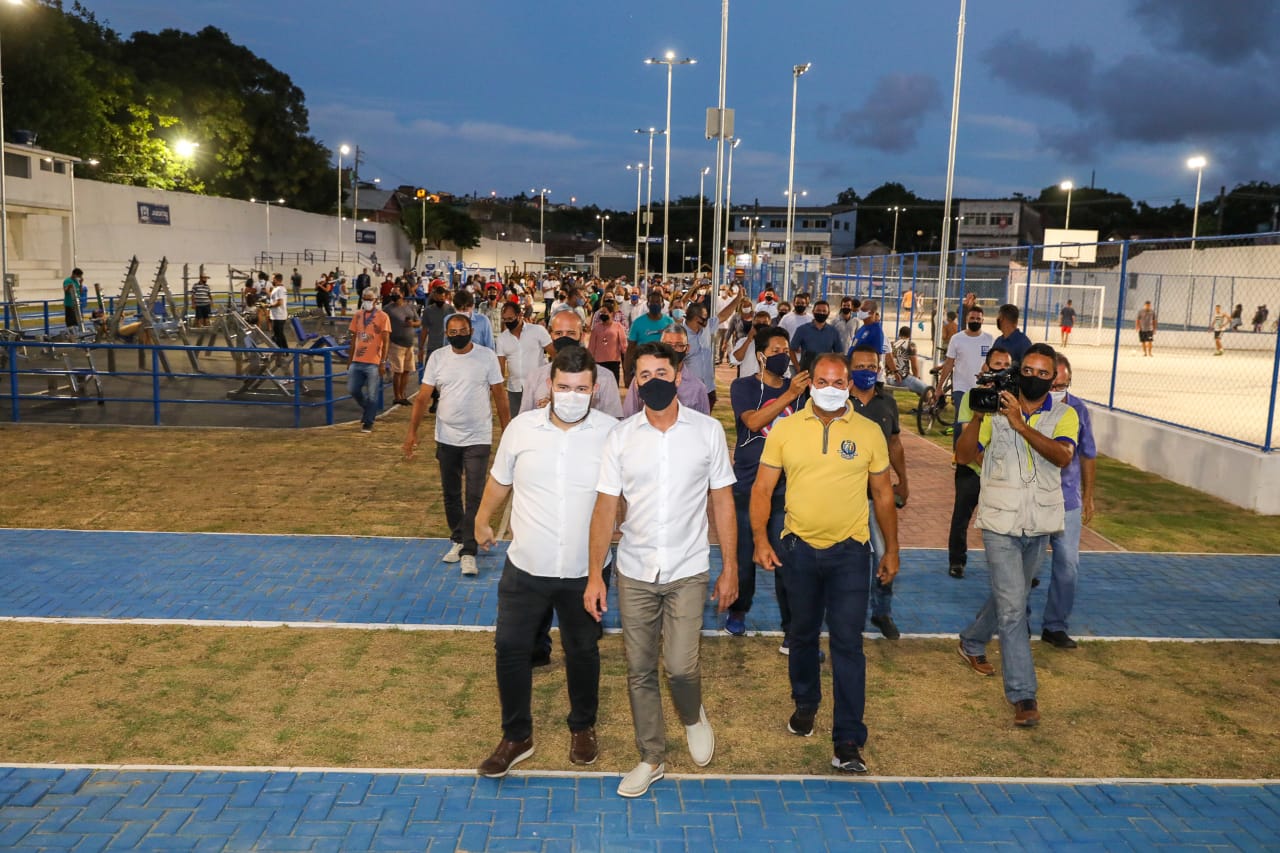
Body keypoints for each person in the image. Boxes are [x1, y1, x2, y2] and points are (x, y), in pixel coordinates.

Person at [585, 341, 739, 798]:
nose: (653, 381)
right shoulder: (621, 436)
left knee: (679, 665)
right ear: (634, 381)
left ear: (679, 376)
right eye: (644, 375)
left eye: (661, 372)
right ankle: (651, 757)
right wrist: (596, 573)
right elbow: (604, 508)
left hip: (688, 567)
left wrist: (730, 567)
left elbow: (723, 502)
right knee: (638, 669)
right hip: (634, 569)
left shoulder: (707, 431)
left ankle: (692, 715)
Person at [472, 346, 619, 778]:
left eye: (581, 389)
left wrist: (621, 525)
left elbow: (624, 493)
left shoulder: (613, 433)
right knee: (511, 650)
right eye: (563, 387)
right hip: (526, 566)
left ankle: (583, 727)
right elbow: (500, 481)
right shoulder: (522, 429)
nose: (572, 395)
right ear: (549, 386)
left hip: (584, 570)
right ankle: (516, 736)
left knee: (583, 650)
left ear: (595, 390)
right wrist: (482, 520)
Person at [750, 352, 898, 773]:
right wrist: (761, 539)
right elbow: (762, 490)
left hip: (851, 552)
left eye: (838, 382)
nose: (830, 389)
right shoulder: (786, 429)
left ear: (849, 385)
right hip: (797, 550)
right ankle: (805, 702)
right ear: (808, 382)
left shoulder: (870, 432)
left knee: (848, 644)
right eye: (822, 380)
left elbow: (884, 495)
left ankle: (848, 740)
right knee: (801, 635)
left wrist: (893, 548)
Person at [955, 343, 1078, 728]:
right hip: (999, 523)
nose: (1036, 378)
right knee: (1013, 610)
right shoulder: (995, 409)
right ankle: (1024, 695)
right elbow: (963, 455)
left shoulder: (1064, 414)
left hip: (1039, 523)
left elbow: (1062, 457)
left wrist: (1020, 425)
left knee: (1013, 596)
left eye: (1045, 373)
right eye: (1029, 370)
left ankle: (972, 640)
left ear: (1055, 376)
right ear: (1018, 370)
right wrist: (977, 419)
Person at [404, 313, 511, 577]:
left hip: (478, 436)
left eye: (462, 330)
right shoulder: (438, 358)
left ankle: (469, 551)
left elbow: (499, 394)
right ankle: (459, 538)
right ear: (446, 333)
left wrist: (508, 430)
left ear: (471, 330)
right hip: (447, 437)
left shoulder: (486, 356)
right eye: (452, 332)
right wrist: (412, 433)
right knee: (450, 493)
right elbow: (422, 398)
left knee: (474, 494)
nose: (458, 335)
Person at [726, 326, 805, 639]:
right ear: (760, 356)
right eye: (775, 351)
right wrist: (789, 395)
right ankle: (739, 609)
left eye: (785, 350)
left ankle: (791, 627)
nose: (782, 356)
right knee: (744, 556)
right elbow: (754, 421)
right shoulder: (743, 387)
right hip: (747, 484)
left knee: (787, 557)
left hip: (786, 488)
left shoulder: (801, 391)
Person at [847, 345, 909, 640]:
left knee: (884, 553)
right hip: (843, 497)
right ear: (849, 369)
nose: (866, 372)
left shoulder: (888, 402)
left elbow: (895, 443)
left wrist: (904, 479)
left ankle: (882, 612)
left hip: (878, 496)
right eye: (859, 367)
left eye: (871, 367)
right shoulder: (838, 401)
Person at [1041, 353, 1096, 650]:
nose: (1059, 390)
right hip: (1035, 498)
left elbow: (1088, 454)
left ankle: (1055, 625)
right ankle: (1016, 620)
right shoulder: (1030, 407)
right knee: (1027, 567)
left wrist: (1088, 496)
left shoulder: (1079, 410)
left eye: (1065, 384)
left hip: (1068, 500)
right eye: (1054, 385)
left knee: (1068, 565)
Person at [947, 346, 1012, 579]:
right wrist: (986, 465)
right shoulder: (971, 397)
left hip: (1004, 472)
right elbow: (967, 438)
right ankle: (957, 560)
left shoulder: (1014, 400)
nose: (1002, 371)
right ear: (986, 368)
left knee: (1005, 519)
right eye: (997, 365)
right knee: (962, 515)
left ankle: (1011, 563)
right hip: (973, 468)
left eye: (1007, 366)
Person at [521, 310, 623, 417]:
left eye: (571, 333)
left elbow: (614, 422)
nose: (564, 338)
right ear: (551, 336)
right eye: (559, 333)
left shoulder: (605, 377)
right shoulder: (535, 377)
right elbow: (524, 419)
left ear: (581, 336)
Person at [621, 327, 710, 417]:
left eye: (679, 345)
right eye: (668, 345)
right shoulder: (642, 380)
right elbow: (628, 416)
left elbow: (704, 424)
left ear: (687, 348)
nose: (673, 350)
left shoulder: (697, 387)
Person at [936, 305, 994, 439]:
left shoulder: (990, 339)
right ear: (967, 319)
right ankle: (958, 454)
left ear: (983, 320)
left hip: (982, 388)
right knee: (961, 419)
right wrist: (939, 387)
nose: (975, 321)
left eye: (978, 319)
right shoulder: (957, 339)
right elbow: (949, 363)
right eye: (972, 318)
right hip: (961, 388)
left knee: (980, 421)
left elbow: (992, 363)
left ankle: (976, 451)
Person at [496, 300, 552, 415]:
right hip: (515, 389)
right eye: (505, 319)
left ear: (520, 315)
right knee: (518, 422)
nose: (507, 322)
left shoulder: (537, 331)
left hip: (539, 387)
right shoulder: (502, 339)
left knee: (539, 421)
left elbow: (555, 354)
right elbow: (500, 367)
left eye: (510, 319)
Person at [346, 287, 390, 433]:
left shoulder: (383, 317)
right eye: (364, 298)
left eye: (369, 299)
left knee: (372, 394)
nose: (366, 301)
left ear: (376, 300)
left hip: (373, 361)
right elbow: (353, 338)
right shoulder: (358, 315)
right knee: (352, 389)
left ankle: (368, 422)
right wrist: (350, 358)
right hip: (357, 360)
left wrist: (383, 362)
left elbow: (386, 340)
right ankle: (369, 411)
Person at [419, 285, 455, 414]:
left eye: (442, 297)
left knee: (448, 375)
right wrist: (421, 347)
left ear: (445, 297)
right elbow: (424, 330)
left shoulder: (451, 310)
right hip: (432, 348)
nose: (440, 299)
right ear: (434, 296)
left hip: (447, 348)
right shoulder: (428, 311)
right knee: (431, 375)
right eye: (438, 297)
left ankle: (446, 400)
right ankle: (435, 399)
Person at [624, 290, 674, 384]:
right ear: (648, 304)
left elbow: (673, 348)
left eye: (657, 302)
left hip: (663, 368)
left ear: (663, 305)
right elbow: (630, 349)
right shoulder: (638, 323)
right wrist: (627, 373)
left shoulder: (669, 323)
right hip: (643, 368)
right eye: (652, 302)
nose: (655, 304)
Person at [383, 290, 422, 407]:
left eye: (397, 294)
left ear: (402, 295)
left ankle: (403, 395)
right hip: (396, 343)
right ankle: (397, 396)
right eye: (393, 294)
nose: (395, 296)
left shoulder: (410, 307)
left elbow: (418, 322)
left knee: (406, 370)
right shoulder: (387, 309)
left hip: (409, 344)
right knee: (398, 371)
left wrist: (412, 324)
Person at [789, 299, 843, 374]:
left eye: (824, 311)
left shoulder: (833, 332)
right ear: (813, 311)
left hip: (826, 371)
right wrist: (797, 367)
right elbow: (791, 350)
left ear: (828, 313)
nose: (821, 313)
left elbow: (839, 353)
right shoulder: (802, 329)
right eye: (818, 310)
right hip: (806, 372)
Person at [587, 298, 627, 382]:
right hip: (599, 362)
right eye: (601, 312)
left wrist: (627, 357)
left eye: (605, 312)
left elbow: (623, 345)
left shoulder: (618, 326)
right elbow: (591, 346)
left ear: (611, 313)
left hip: (614, 361)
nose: (602, 314)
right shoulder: (596, 328)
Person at [729, 311, 775, 380]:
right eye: (758, 322)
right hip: (747, 384)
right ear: (753, 323)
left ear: (770, 324)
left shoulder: (775, 343)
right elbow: (735, 360)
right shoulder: (743, 341)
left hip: (768, 385)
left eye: (765, 323)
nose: (761, 325)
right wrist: (748, 340)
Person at [887, 326, 929, 397]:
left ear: (899, 334)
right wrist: (916, 378)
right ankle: (932, 406)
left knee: (918, 385)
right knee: (927, 389)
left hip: (889, 378)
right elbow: (914, 366)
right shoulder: (910, 345)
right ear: (909, 335)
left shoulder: (892, 344)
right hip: (901, 379)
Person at [266, 273, 289, 350]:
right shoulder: (279, 289)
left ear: (276, 279)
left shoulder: (279, 289)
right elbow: (275, 299)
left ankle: (279, 353)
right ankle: (286, 351)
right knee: (280, 335)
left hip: (278, 316)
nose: (272, 280)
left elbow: (279, 302)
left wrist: (269, 306)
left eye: (273, 279)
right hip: (278, 315)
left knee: (278, 336)